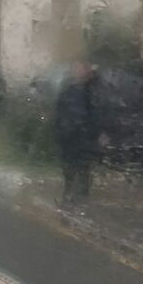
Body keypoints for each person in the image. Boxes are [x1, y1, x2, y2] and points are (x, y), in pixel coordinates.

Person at [54, 59, 100, 206]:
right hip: (68, 135)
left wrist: (97, 132)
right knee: (68, 167)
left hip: (85, 135)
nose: (77, 71)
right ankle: (68, 194)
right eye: (74, 68)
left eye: (80, 68)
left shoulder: (93, 90)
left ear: (87, 70)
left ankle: (81, 197)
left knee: (83, 167)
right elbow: (59, 111)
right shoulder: (68, 90)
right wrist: (59, 130)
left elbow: (99, 112)